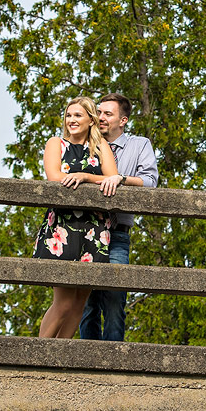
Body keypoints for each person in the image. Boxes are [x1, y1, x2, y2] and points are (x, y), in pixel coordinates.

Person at [33, 96, 121, 339]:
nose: (72, 120)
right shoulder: (56, 144)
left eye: (78, 115)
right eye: (69, 115)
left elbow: (112, 178)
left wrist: (85, 176)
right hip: (63, 228)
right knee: (63, 302)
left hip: (94, 229)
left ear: (91, 120)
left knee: (79, 302)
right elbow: (54, 178)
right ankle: (37, 356)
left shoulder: (101, 146)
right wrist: (92, 178)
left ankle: (59, 356)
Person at [79, 92, 159, 342]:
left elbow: (150, 182)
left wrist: (121, 179)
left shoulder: (139, 145)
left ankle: (113, 363)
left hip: (117, 234)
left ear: (122, 120)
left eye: (107, 114)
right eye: (99, 112)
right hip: (85, 230)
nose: (100, 117)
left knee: (114, 302)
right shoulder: (84, 142)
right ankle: (86, 361)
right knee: (85, 303)